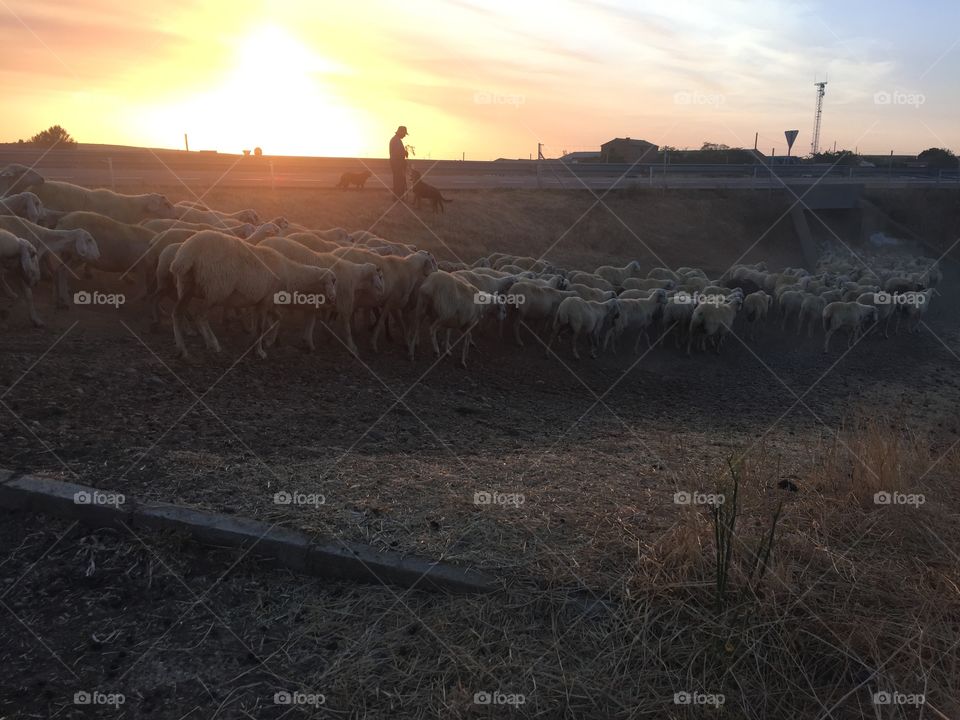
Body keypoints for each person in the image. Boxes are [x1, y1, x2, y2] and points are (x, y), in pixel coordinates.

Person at [389, 125, 409, 200]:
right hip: (397, 164)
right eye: (404, 134)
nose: (404, 136)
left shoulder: (396, 140)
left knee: (398, 180)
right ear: (400, 132)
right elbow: (398, 153)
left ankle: (398, 197)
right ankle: (398, 197)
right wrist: (404, 153)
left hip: (396, 163)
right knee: (399, 181)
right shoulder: (396, 140)